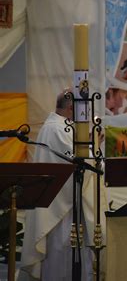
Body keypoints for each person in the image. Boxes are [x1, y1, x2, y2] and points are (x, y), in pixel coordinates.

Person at [21, 90, 95, 280]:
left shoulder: (56, 126)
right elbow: (80, 165)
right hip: (62, 210)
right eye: (81, 109)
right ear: (71, 108)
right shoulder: (58, 129)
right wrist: (97, 157)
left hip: (61, 204)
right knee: (63, 261)